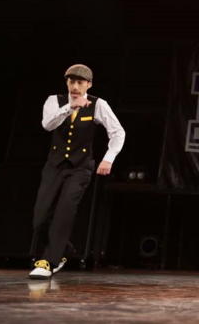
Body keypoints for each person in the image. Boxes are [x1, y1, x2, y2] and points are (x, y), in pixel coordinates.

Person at [29, 64, 125, 279]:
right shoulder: (54, 101)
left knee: (64, 211)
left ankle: (48, 261)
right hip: (54, 166)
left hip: (80, 168)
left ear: (88, 85)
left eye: (80, 82)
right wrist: (70, 107)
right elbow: (47, 125)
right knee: (40, 217)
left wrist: (108, 158)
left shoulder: (98, 104)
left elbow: (118, 132)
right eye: (71, 81)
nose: (75, 86)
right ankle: (64, 249)